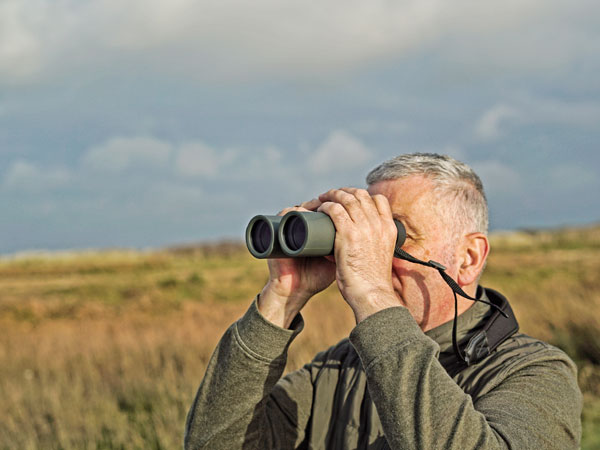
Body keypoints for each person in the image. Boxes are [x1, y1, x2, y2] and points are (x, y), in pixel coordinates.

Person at [184, 153, 582, 449]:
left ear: (469, 258)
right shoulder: (339, 369)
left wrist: (374, 294)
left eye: (395, 235)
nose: (370, 250)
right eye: (366, 230)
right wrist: (282, 297)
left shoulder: (535, 372)